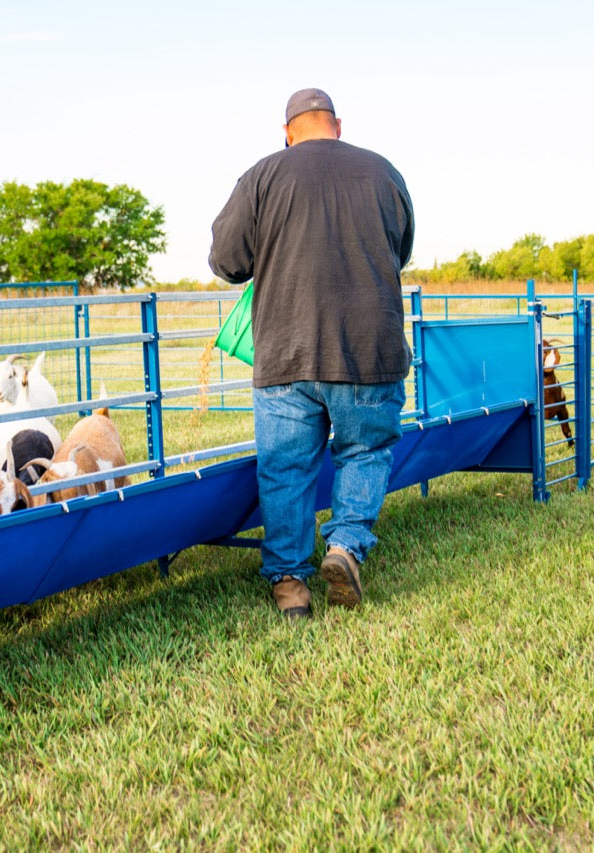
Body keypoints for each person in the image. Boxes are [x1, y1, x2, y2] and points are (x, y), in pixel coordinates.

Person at [208, 87, 414, 619]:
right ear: (337, 126)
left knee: (285, 468)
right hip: (369, 349)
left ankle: (290, 588)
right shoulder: (384, 173)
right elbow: (402, 251)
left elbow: (226, 260)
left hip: (286, 353)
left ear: (287, 132)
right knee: (364, 451)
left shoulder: (262, 176)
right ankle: (344, 546)